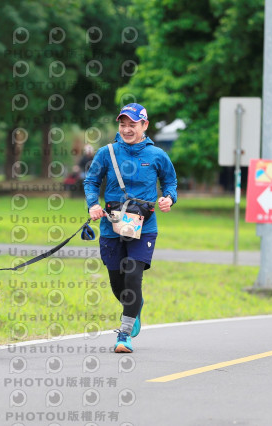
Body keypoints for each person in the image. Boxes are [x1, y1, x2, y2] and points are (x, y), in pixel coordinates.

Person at [83, 103, 177, 353]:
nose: (126, 129)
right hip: (112, 226)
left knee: (133, 276)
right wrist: (93, 204)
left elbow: (170, 181)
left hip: (144, 228)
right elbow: (91, 181)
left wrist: (169, 198)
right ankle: (135, 307)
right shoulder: (107, 153)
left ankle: (124, 335)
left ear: (144, 125)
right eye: (122, 124)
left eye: (132, 124)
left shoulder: (157, 155)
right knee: (118, 284)